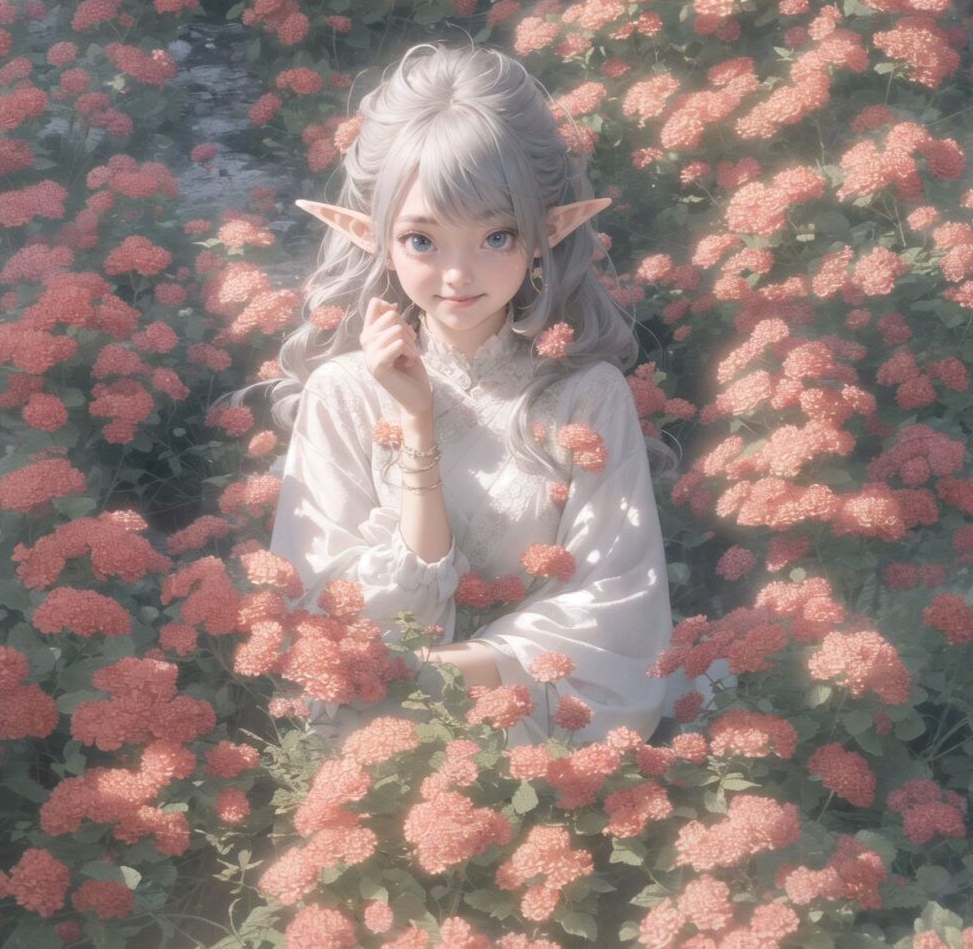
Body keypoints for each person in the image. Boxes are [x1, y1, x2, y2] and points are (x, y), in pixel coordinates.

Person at [262, 41, 682, 750]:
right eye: (422, 241)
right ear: (372, 238)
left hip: (538, 740)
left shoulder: (585, 394)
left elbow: (619, 614)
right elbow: (322, 616)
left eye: (495, 235)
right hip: (375, 750)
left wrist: (440, 681)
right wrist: (415, 423)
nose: (458, 275)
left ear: (548, 232)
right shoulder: (343, 393)